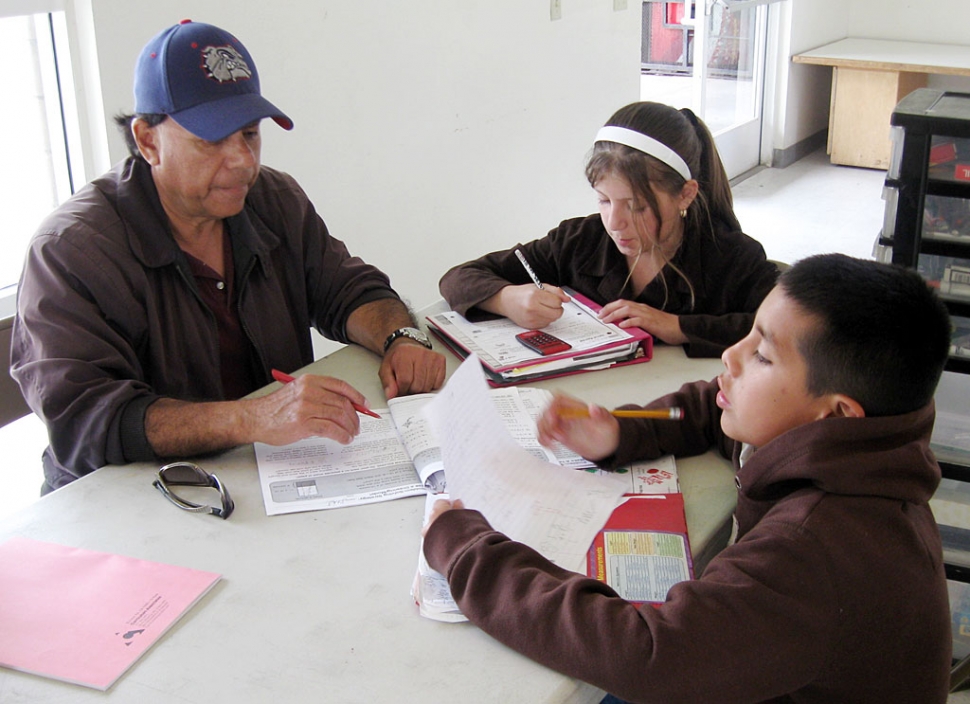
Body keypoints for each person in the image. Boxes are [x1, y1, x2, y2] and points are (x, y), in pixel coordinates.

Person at [423, 253, 952, 702]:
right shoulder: (871, 445)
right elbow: (711, 410)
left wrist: (470, 553)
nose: (730, 354)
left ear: (836, 415)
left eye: (763, 355)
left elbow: (648, 654)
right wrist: (621, 433)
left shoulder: (812, 548)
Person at [10, 20, 445, 493]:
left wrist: (400, 336)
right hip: (126, 505)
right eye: (212, 140)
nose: (242, 161)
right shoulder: (70, 251)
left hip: (261, 477)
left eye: (250, 134)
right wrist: (249, 418)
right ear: (148, 140)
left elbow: (346, 289)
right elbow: (88, 421)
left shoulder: (272, 198)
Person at [439, 101, 779, 358]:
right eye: (604, 201)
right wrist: (507, 298)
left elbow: (791, 329)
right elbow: (458, 277)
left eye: (636, 206)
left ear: (685, 194)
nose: (615, 223)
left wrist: (677, 327)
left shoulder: (732, 257)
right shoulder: (578, 241)